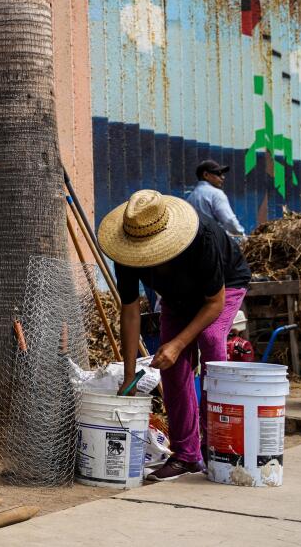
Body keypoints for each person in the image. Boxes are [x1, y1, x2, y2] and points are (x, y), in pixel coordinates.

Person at [101, 189, 251, 481]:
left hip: (223, 288)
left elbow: (214, 303)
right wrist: (130, 377)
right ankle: (186, 455)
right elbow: (130, 312)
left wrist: (178, 342)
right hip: (176, 298)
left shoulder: (201, 237)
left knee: (209, 340)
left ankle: (217, 444)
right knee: (171, 366)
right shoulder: (126, 253)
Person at [187, 159, 246, 241]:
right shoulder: (216, 194)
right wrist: (243, 237)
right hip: (214, 244)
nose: (223, 177)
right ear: (206, 175)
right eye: (218, 173)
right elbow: (229, 221)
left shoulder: (190, 197)